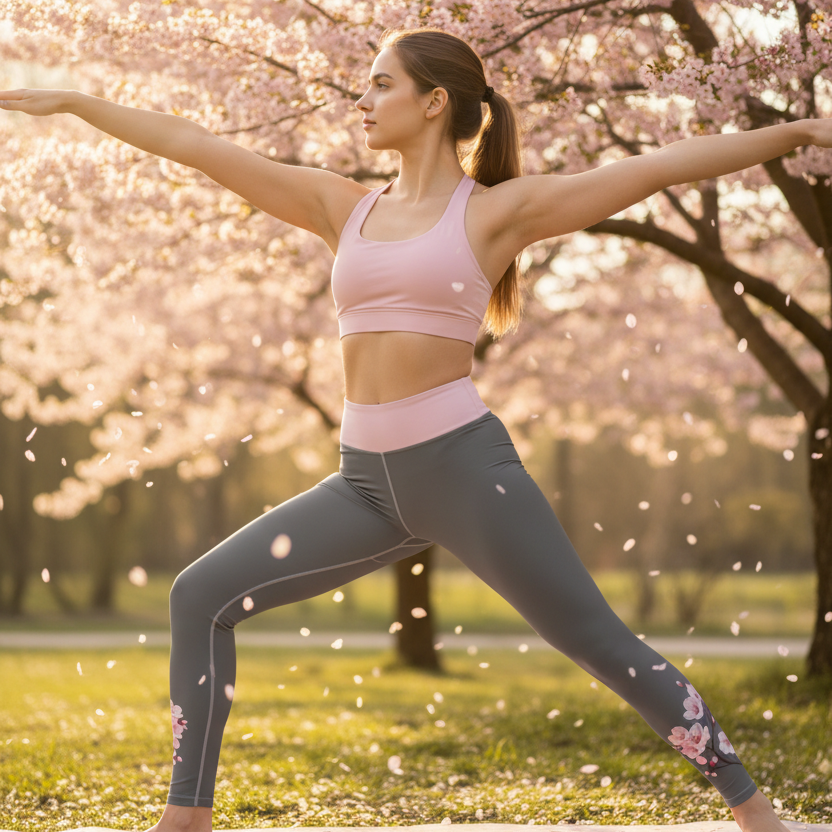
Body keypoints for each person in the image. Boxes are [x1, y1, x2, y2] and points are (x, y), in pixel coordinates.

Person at [1, 25, 824, 832]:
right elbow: (195, 144)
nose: (362, 101)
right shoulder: (340, 207)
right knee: (199, 596)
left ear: (435, 103)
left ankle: (752, 809)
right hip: (364, 482)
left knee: (595, 640)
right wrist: (77, 101)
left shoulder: (499, 213)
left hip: (464, 473)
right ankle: (186, 815)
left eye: (380, 84)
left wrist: (794, 131)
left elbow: (655, 167)